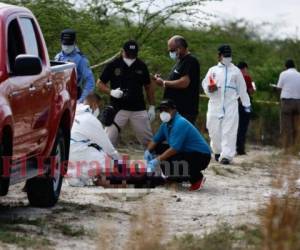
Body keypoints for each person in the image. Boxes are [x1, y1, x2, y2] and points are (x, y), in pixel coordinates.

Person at [97, 40, 155, 147]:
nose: (131, 56)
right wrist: (111, 92)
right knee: (108, 142)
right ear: (123, 51)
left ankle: (154, 162)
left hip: (138, 108)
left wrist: (152, 106)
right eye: (128, 53)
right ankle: (116, 164)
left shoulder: (141, 66)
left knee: (148, 141)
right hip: (117, 108)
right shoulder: (114, 65)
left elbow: (148, 86)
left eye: (133, 54)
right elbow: (100, 83)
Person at [144, 99, 211, 191]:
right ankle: (173, 177)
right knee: (158, 148)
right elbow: (155, 140)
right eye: (162, 110)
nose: (163, 113)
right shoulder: (165, 125)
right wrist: (147, 151)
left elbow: (175, 148)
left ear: (174, 110)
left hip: (201, 156)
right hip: (187, 152)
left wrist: (156, 160)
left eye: (166, 110)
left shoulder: (180, 123)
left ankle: (197, 178)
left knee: (176, 160)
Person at [202, 45, 251, 165]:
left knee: (229, 130)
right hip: (215, 104)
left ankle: (227, 156)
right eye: (224, 55)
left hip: (231, 105)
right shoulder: (212, 70)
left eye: (229, 56)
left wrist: (247, 105)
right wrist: (210, 89)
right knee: (214, 130)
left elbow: (242, 89)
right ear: (219, 56)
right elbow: (205, 85)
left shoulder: (236, 71)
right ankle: (218, 151)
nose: (226, 58)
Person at [66, 101, 121, 187]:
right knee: (109, 161)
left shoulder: (69, 113)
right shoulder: (90, 119)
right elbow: (108, 147)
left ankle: (76, 175)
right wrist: (118, 162)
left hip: (64, 155)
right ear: (94, 104)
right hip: (78, 154)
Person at [153, 35, 200, 124]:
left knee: (180, 137)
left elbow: (184, 83)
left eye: (171, 50)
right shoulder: (179, 62)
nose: (170, 53)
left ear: (180, 48)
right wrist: (161, 80)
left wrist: (164, 83)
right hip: (172, 110)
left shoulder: (191, 61)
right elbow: (174, 81)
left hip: (184, 112)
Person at [55, 29, 95, 103]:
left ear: (74, 43)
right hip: (60, 95)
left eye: (69, 44)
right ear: (61, 42)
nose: (67, 47)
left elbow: (90, 81)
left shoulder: (80, 59)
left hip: (74, 94)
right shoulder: (58, 57)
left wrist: (81, 99)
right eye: (65, 44)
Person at [276, 59, 300, 151]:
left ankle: (288, 148)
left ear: (286, 66)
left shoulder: (283, 74)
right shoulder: (299, 75)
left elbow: (279, 88)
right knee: (297, 125)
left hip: (287, 102)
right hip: (298, 102)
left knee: (287, 126)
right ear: (294, 66)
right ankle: (296, 147)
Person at [236, 62, 255, 155]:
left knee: (234, 126)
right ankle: (240, 148)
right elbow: (251, 91)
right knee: (243, 127)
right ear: (244, 68)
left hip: (233, 104)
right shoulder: (246, 78)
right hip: (245, 104)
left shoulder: (233, 77)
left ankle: (232, 146)